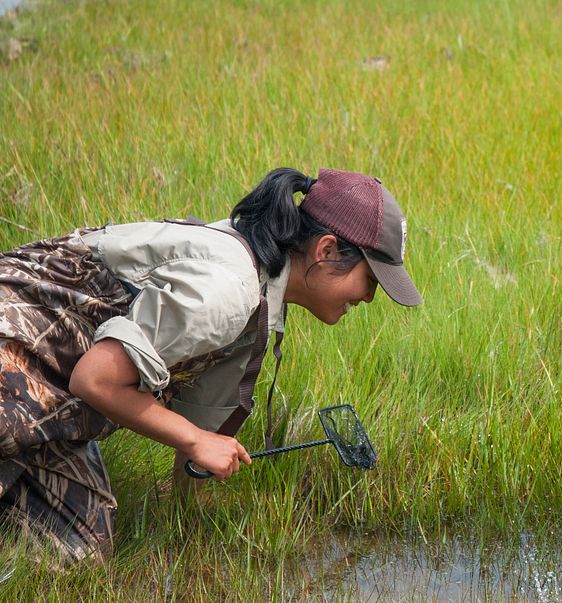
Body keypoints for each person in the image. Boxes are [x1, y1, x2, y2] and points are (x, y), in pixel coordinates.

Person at [0, 167, 421, 563]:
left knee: (79, 550)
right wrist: (197, 441)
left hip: (51, 386)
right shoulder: (226, 291)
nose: (369, 298)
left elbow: (204, 422)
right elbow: (97, 380)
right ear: (326, 250)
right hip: (12, 346)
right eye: (371, 281)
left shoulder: (258, 298)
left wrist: (193, 500)